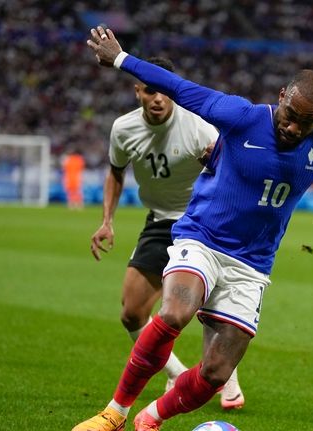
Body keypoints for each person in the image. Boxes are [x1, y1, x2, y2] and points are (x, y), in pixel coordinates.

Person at [74, 26, 313, 431]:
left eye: (306, 123)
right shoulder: (242, 116)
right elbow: (180, 88)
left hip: (252, 266)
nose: (294, 128)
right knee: (173, 313)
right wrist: (120, 58)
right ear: (281, 98)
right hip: (202, 240)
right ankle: (115, 412)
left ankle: (152, 417)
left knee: (215, 374)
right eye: (291, 116)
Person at [90, 56, 245, 411]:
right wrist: (107, 221)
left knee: (205, 304)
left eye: (163, 92)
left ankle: (228, 375)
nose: (157, 99)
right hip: (160, 222)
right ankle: (175, 372)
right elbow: (115, 172)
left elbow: (232, 168)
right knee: (131, 313)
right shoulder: (123, 129)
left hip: (202, 220)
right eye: (149, 91)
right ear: (137, 91)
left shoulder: (199, 126)